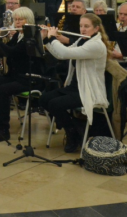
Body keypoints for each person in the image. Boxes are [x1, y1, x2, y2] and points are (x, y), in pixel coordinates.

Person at [39, 13, 110, 153]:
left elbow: (65, 53)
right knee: (44, 99)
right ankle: (75, 127)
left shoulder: (96, 45)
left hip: (89, 90)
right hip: (75, 87)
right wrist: (46, 39)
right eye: (81, 26)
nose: (82, 29)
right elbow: (60, 54)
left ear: (96, 29)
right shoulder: (82, 40)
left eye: (86, 26)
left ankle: (72, 131)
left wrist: (52, 37)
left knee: (55, 104)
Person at [0, 7, 40, 142]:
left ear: (28, 20)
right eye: (16, 20)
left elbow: (12, 52)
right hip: (14, 76)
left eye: (20, 19)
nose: (17, 22)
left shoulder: (32, 37)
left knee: (3, 90)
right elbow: (4, 51)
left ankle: (3, 129)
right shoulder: (19, 35)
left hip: (28, 78)